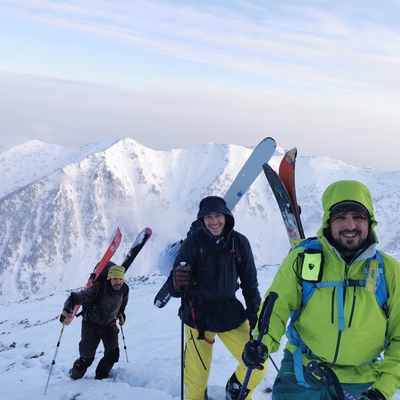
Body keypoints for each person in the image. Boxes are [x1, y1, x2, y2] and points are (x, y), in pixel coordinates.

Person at [242, 180, 400, 400]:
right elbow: (277, 306)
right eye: (341, 217)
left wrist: (382, 390)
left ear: (369, 221)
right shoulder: (303, 259)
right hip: (303, 369)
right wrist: (262, 343)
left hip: (364, 379)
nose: (350, 225)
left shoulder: (389, 272)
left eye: (358, 217)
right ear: (328, 221)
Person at [168, 195, 267, 400]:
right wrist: (177, 283)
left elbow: (249, 283)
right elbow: (175, 287)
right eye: (208, 217)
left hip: (230, 312)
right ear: (202, 220)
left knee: (257, 364)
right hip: (197, 316)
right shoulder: (192, 243)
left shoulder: (239, 242)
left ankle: (236, 390)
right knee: (196, 378)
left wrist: (254, 314)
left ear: (226, 216)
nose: (214, 221)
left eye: (218, 215)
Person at [60, 265, 129, 380]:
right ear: (109, 279)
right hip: (91, 326)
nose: (118, 282)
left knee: (112, 355)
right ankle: (74, 376)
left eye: (121, 279)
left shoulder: (125, 290)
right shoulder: (98, 288)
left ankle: (100, 377)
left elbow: (122, 305)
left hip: (109, 325)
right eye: (115, 279)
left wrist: (121, 313)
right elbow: (75, 298)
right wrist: (67, 310)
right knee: (86, 359)